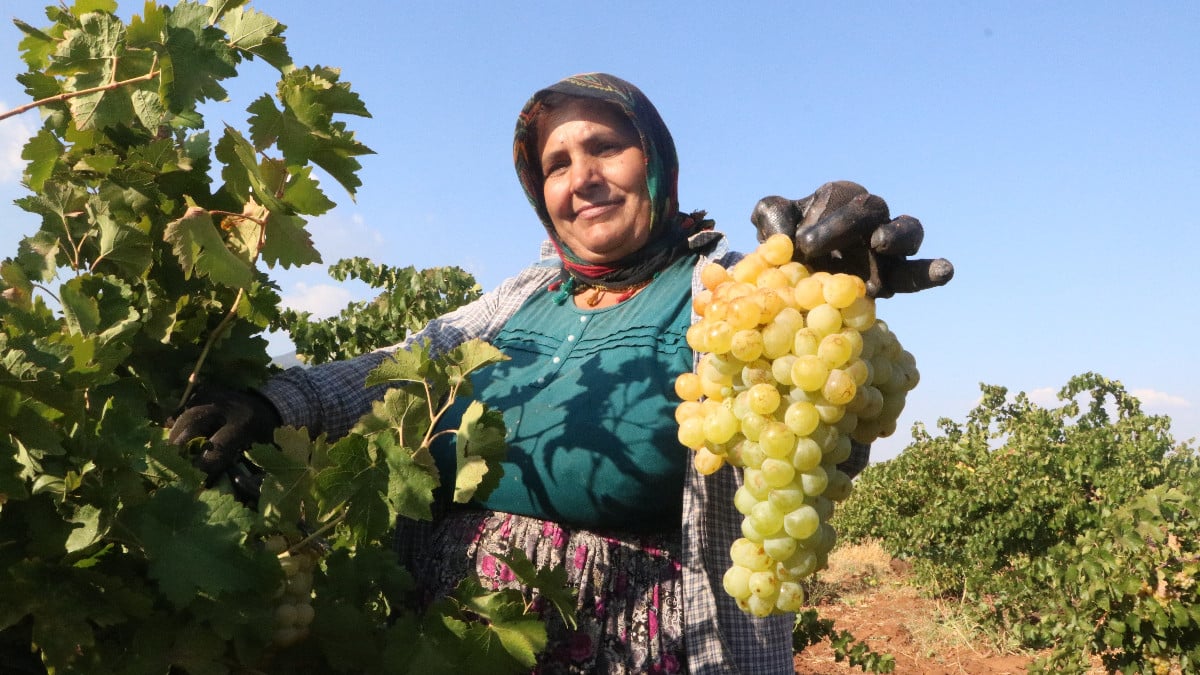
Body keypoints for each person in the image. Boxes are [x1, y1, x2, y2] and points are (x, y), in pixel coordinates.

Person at [170, 72, 951, 674]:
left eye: (607, 147)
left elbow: (818, 446)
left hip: (641, 652)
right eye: (556, 163)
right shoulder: (522, 295)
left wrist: (825, 295)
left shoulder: (734, 293)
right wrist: (272, 403)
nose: (581, 176)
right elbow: (391, 368)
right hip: (441, 645)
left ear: (657, 159)